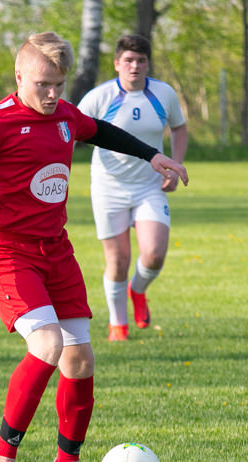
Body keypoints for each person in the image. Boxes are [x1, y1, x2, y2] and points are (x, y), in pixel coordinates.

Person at [0, 32, 188, 462]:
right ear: (20, 76)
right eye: (43, 84)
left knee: (80, 358)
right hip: (2, 251)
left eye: (58, 85)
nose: (51, 95)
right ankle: (1, 456)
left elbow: (98, 130)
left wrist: (154, 154)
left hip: (54, 249)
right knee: (47, 344)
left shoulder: (64, 115)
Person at [77, 34, 187, 341]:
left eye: (141, 60)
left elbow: (179, 128)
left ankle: (137, 290)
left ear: (148, 64)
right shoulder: (99, 97)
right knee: (118, 259)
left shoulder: (163, 94)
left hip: (149, 185)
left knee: (153, 254)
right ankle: (118, 325)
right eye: (128, 60)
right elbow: (70, 128)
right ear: (116, 64)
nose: (134, 66)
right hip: (108, 188)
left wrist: (174, 165)